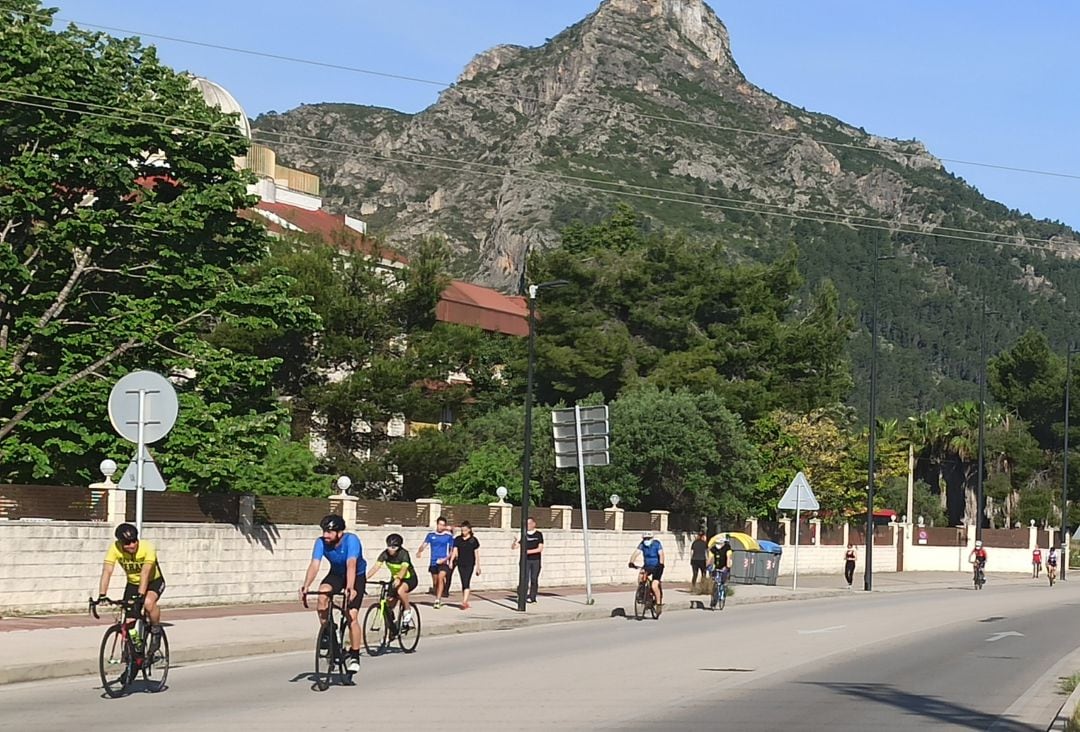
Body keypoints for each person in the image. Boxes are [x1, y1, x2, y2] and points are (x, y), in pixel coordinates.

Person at [299, 514, 366, 673]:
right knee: (322, 594)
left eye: (329, 532)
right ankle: (328, 630)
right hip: (336, 574)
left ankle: (355, 654)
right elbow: (315, 564)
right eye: (324, 531)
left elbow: (351, 564)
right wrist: (306, 586)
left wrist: (350, 588)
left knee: (352, 615)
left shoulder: (351, 540)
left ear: (340, 532)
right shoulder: (321, 542)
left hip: (356, 576)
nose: (325, 535)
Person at [97, 523, 165, 652]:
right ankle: (134, 652)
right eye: (127, 543)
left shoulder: (147, 547)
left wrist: (140, 596)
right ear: (120, 543)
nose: (132, 545)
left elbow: (145, 573)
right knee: (129, 621)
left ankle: (156, 631)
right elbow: (107, 571)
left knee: (148, 603)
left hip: (153, 581)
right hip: (133, 584)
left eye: (134, 541)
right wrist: (102, 595)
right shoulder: (115, 548)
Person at [366, 533, 419, 638]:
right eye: (389, 546)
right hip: (395, 580)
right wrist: (365, 578)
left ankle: (407, 611)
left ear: (399, 547)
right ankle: (393, 626)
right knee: (389, 601)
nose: (391, 549)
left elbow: (404, 569)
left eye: (394, 547)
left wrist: (399, 578)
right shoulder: (385, 554)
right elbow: (376, 567)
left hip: (409, 579)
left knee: (400, 591)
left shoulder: (403, 554)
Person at [417, 515, 455, 609]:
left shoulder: (448, 536)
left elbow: (452, 550)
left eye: (443, 525)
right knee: (435, 582)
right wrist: (419, 551)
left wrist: (446, 559)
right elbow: (424, 544)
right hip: (433, 562)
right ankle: (439, 590)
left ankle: (438, 600)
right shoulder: (431, 535)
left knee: (440, 578)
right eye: (439, 524)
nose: (440, 527)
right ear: (437, 524)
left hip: (443, 561)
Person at [628, 531, 665, 612]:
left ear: (652, 539)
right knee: (640, 576)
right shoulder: (642, 544)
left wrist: (661, 564)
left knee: (654, 585)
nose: (646, 540)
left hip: (657, 566)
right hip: (647, 566)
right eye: (645, 538)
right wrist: (631, 562)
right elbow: (636, 553)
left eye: (648, 538)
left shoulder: (657, 544)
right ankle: (642, 593)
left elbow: (661, 555)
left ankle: (658, 604)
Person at [512, 517, 544, 603]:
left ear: (534, 524)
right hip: (525, 560)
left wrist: (526, 552)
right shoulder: (523, 534)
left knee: (534, 578)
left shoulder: (538, 534)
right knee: (524, 578)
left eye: (529, 523)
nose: (528, 525)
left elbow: (540, 548)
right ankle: (522, 596)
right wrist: (515, 541)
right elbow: (515, 547)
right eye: (526, 524)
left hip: (535, 560)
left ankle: (532, 597)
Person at [451, 521, 481, 610]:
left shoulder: (473, 540)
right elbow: (455, 551)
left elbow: (476, 554)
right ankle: (465, 600)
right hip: (460, 563)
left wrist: (478, 566)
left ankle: (464, 602)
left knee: (466, 580)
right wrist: (451, 561)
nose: (463, 532)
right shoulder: (458, 539)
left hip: (470, 563)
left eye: (465, 530)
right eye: (462, 530)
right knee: (463, 581)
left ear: (469, 530)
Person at [706, 536, 732, 609]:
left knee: (723, 581)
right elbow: (710, 558)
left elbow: (728, 558)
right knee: (716, 583)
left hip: (724, 566)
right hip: (716, 567)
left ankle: (723, 589)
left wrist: (727, 567)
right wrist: (707, 566)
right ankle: (713, 602)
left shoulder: (727, 548)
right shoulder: (713, 549)